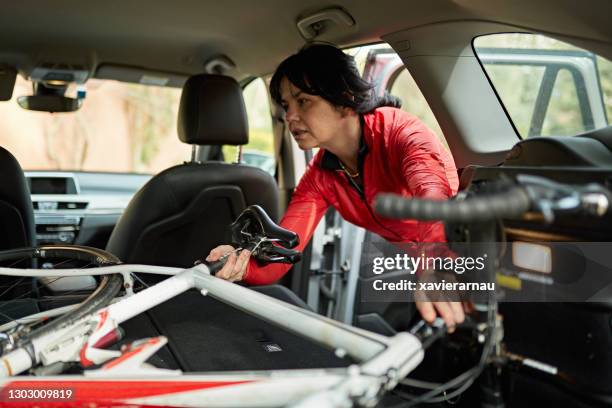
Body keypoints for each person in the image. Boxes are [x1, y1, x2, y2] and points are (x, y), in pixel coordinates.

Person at [207, 44, 464, 329]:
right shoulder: (319, 176)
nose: (289, 116)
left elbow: (432, 197)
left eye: (302, 101)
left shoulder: (400, 133)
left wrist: (435, 263)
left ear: (344, 97)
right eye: (286, 106)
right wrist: (240, 264)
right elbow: (281, 253)